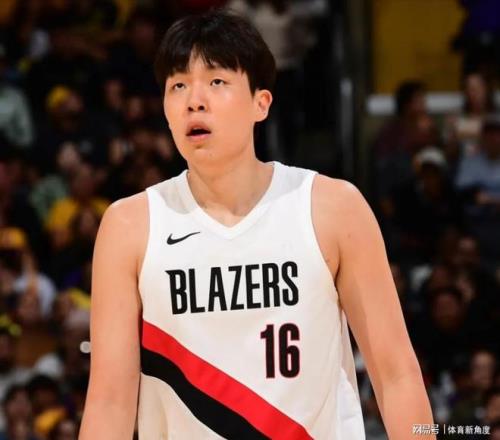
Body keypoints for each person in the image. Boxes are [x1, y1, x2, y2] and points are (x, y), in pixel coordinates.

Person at [79, 10, 435, 439]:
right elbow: (110, 401)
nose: (194, 100)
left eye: (216, 81)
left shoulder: (332, 208)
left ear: (260, 103)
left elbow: (396, 374)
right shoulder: (129, 225)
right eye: (178, 85)